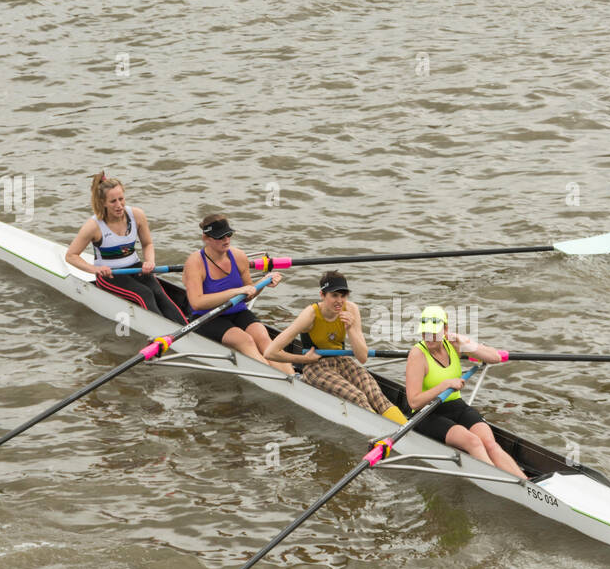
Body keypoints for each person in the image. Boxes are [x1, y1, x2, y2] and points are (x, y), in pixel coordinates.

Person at [264, 271, 409, 425]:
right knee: (357, 397)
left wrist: (351, 328)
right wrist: (302, 359)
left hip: (341, 360)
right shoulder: (310, 315)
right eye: (334, 295)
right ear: (322, 295)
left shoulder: (351, 309)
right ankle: (382, 434)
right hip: (315, 366)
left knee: (375, 394)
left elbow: (362, 357)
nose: (339, 301)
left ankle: (405, 432)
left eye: (343, 295)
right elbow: (270, 352)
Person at [404, 306, 527, 479]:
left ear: (445, 329)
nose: (428, 337)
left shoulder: (453, 344)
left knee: (491, 444)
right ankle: (502, 482)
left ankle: (527, 484)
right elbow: (414, 402)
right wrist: (445, 384)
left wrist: (465, 342)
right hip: (427, 413)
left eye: (433, 332)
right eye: (425, 333)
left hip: (456, 406)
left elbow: (494, 357)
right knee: (474, 442)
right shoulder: (417, 354)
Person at [64, 172, 188, 324]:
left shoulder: (136, 215)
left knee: (158, 292)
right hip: (109, 275)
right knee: (144, 294)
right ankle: (162, 332)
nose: (119, 205)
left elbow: (147, 244)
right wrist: (94, 269)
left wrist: (149, 261)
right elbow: (71, 255)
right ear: (103, 202)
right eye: (113, 201)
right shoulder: (93, 226)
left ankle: (187, 329)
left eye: (121, 199)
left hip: (136, 267)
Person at [184, 214, 293, 374]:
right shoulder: (195, 263)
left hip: (237, 311)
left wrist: (264, 282)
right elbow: (197, 303)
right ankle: (271, 378)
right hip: (207, 317)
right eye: (220, 237)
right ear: (206, 238)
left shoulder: (239, 256)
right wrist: (235, 291)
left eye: (229, 234)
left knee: (263, 337)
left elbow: (248, 294)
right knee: (244, 340)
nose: (226, 240)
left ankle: (293, 378)